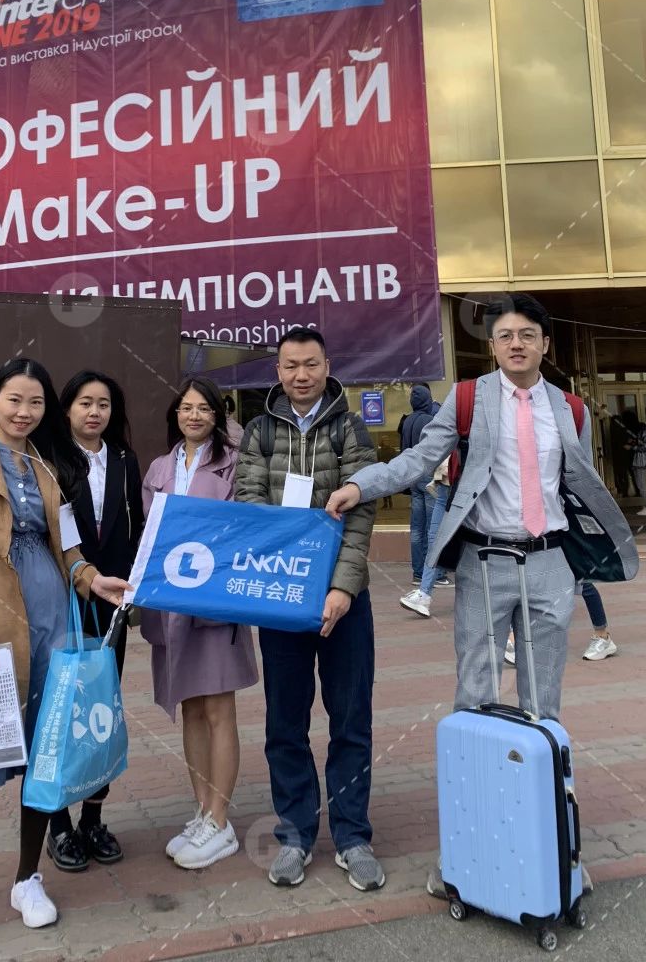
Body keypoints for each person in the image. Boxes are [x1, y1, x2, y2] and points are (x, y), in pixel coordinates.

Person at [328, 292, 637, 720]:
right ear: (492, 345)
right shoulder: (467, 398)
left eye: (527, 335)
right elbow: (419, 459)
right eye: (505, 336)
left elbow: (581, 486)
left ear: (545, 343)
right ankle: (478, 763)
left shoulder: (571, 409)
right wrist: (361, 486)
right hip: (484, 559)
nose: (516, 344)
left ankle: (541, 763)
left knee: (544, 696)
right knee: (476, 690)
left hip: (551, 562)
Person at [0, 357, 128, 962]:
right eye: (15, 399)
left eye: (35, 402)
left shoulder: (45, 463)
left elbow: (67, 545)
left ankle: (27, 878)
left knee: (47, 758)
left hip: (53, 624)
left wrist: (92, 579)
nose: (24, 411)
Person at [235, 326, 383, 893]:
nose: (301, 375)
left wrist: (341, 589)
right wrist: (283, 579)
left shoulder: (351, 428)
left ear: (327, 366)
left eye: (311, 364)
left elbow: (362, 514)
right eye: (291, 365)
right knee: (285, 724)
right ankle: (295, 836)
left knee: (351, 721)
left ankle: (352, 837)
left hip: (346, 601)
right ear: (278, 370)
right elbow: (250, 505)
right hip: (283, 600)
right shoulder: (259, 431)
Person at [141, 377, 259, 869]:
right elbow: (151, 532)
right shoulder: (159, 468)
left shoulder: (234, 463)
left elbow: (239, 527)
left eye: (204, 408)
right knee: (190, 708)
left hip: (214, 602)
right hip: (171, 605)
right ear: (176, 414)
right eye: (186, 408)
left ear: (217, 414)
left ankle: (220, 819)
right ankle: (203, 811)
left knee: (218, 709)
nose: (194, 416)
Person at [46, 370, 143, 874]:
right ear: (67, 409)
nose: (94, 412)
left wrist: (136, 587)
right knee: (61, 709)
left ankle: (93, 819)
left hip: (111, 603)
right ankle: (58, 823)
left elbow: (137, 526)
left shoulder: (125, 459)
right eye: (85, 402)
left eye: (103, 404)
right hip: (61, 601)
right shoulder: (48, 459)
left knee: (102, 707)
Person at [401, 383, 440, 597]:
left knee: (416, 527)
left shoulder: (407, 420)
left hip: (413, 476)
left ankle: (418, 572)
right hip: (428, 475)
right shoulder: (429, 420)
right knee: (433, 527)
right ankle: (435, 573)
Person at [401, 456, 453, 616]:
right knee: (434, 541)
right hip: (446, 480)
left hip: (464, 485)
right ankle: (424, 593)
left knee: (474, 545)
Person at [630, 414, 646, 520]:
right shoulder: (642, 429)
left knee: (641, 485)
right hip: (639, 460)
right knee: (640, 484)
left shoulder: (642, 430)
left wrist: (633, 447)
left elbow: (645, 446)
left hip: (641, 460)